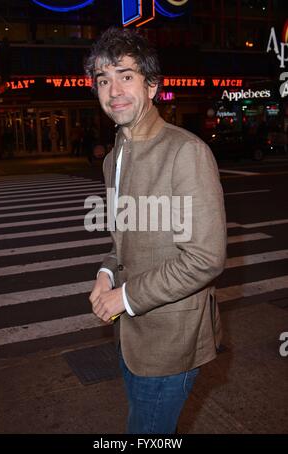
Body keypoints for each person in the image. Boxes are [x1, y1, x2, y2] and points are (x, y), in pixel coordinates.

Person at [87, 27, 227, 434]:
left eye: (125, 75)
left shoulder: (186, 152)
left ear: (151, 86)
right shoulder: (113, 157)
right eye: (103, 79)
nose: (113, 89)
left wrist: (124, 298)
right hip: (130, 337)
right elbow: (123, 239)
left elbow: (205, 259)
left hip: (171, 344)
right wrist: (107, 272)